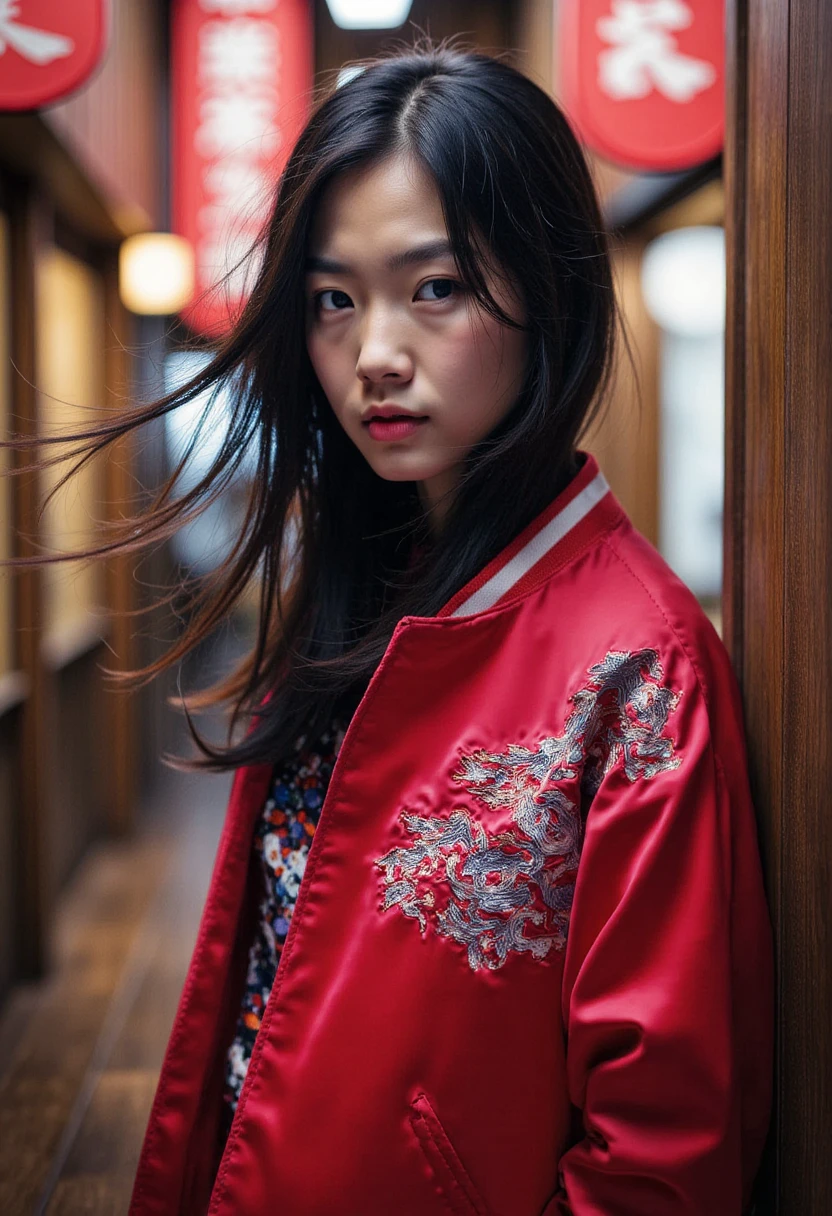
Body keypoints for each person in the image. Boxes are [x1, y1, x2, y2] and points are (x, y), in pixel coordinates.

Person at [12, 37, 773, 1216]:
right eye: (332, 299)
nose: (372, 353)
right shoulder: (362, 579)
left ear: (548, 290)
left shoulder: (639, 668)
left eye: (436, 288)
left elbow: (660, 1156)